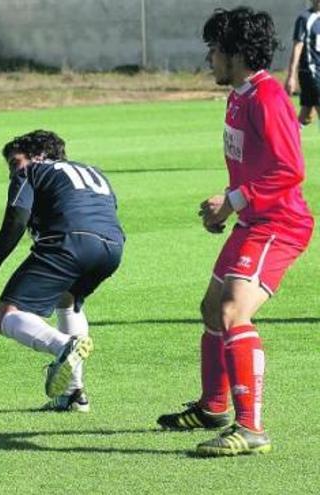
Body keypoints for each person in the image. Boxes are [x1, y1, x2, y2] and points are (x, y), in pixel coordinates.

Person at [157, 7, 313, 457]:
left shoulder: (268, 98)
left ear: (236, 53)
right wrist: (226, 208)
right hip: (252, 220)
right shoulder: (239, 96)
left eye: (214, 49)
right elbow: (251, 166)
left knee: (231, 311)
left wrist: (233, 200)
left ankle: (251, 428)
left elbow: (290, 170)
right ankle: (213, 408)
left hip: (279, 225)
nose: (209, 58)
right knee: (210, 309)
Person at [0, 130, 124, 412]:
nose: (13, 171)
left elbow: (15, 222)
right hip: (113, 247)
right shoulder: (92, 171)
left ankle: (63, 346)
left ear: (37, 156)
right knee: (67, 300)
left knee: (3, 318)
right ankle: (73, 394)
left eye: (14, 162)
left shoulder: (31, 171)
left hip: (70, 242)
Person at [285, 0, 320, 125]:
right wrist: (291, 76)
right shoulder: (305, 19)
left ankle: (289, 139)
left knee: (307, 115)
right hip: (311, 72)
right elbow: (297, 47)